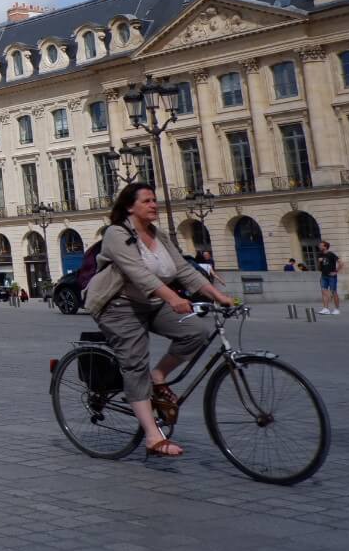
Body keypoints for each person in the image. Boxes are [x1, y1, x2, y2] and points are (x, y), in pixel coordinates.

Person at [85, 182, 236, 460]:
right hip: (118, 306)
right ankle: (153, 437)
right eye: (147, 201)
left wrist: (218, 295)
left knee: (196, 331)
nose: (154, 205)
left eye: (155, 200)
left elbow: (183, 270)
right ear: (130, 206)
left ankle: (159, 377)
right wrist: (172, 298)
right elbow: (140, 274)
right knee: (135, 363)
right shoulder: (116, 235)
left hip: (152, 302)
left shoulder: (159, 235)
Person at [316, 241, 342, 314]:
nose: (319, 246)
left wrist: (336, 271)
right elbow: (319, 267)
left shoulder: (331, 254)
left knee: (333, 292)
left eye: (321, 245)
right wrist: (319, 262)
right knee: (324, 292)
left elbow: (341, 263)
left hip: (331, 276)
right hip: (323, 275)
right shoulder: (319, 255)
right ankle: (325, 309)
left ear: (325, 247)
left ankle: (337, 309)